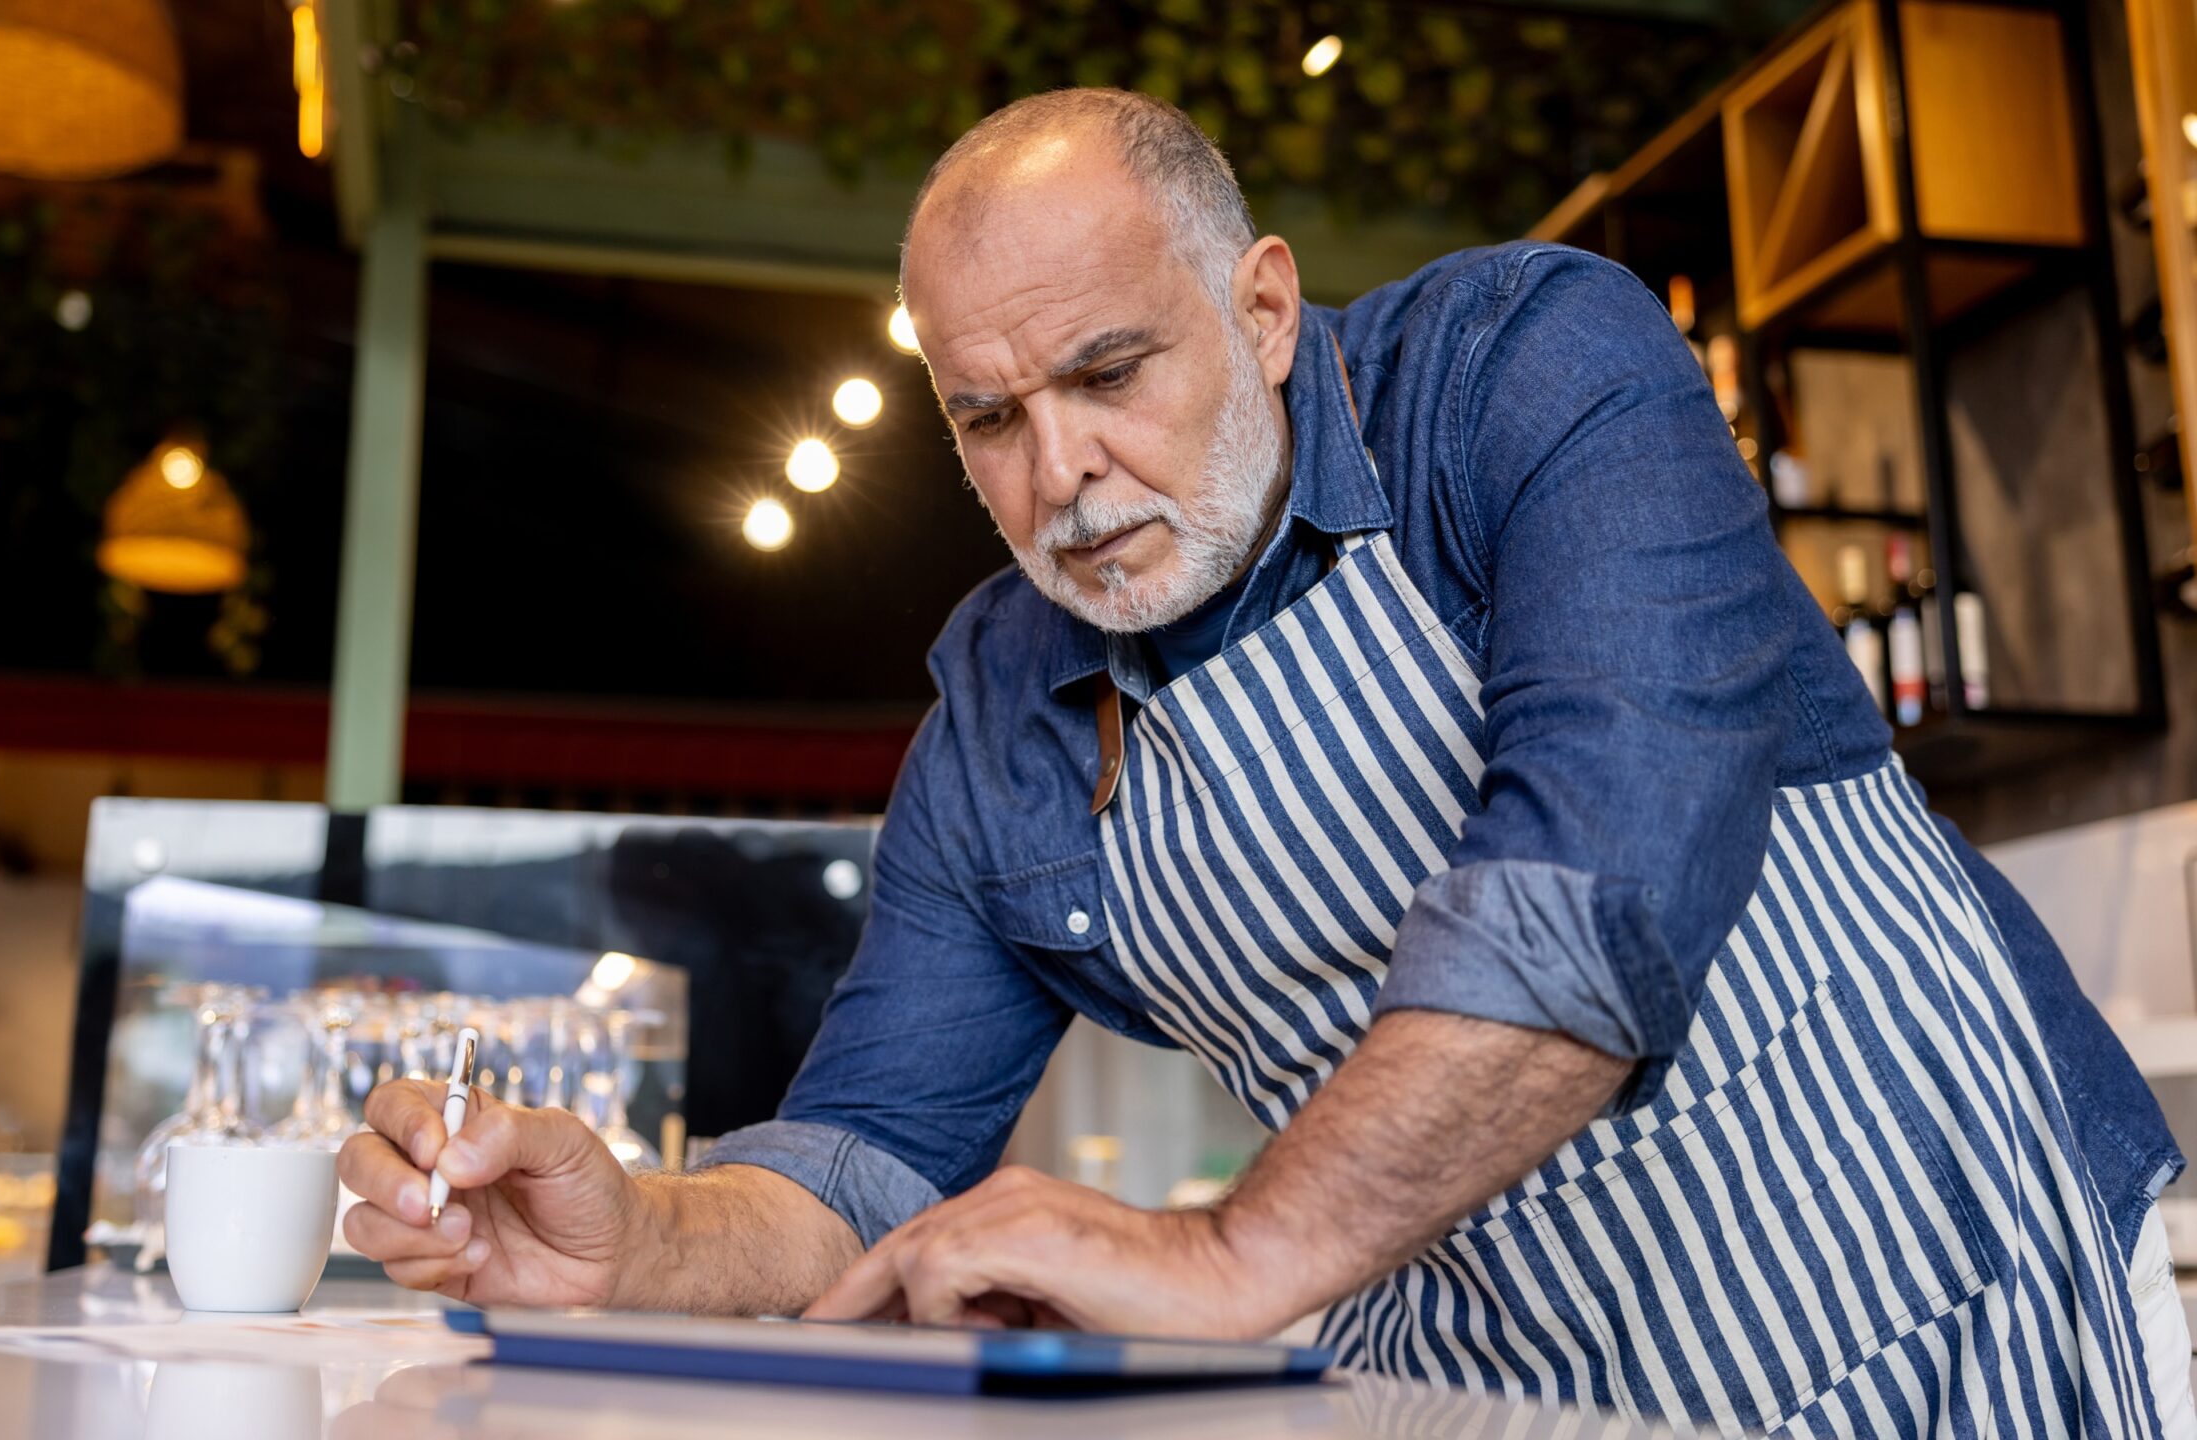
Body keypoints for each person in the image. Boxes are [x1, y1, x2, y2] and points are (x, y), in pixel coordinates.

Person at [339, 89, 2191, 1435]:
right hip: (1494, 1394)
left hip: (1944, 1285)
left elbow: (1603, 880)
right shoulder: (1000, 715)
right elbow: (870, 1157)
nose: (1055, 471)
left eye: (1109, 373)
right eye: (988, 418)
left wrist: (1234, 1255)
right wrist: (633, 1239)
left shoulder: (1528, 374)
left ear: (1266, 309)